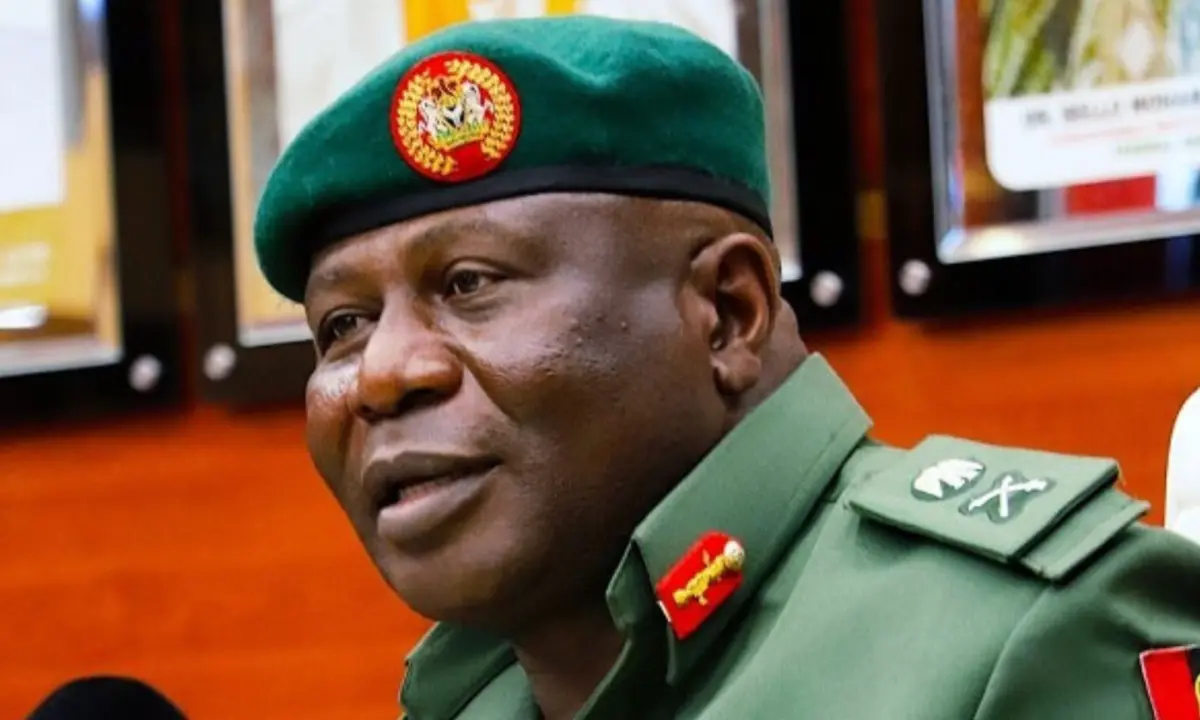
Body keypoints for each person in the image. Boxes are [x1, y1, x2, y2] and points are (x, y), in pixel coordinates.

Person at [251, 14, 1200, 720]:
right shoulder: (474, 695)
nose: (383, 373)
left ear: (728, 311)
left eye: (469, 283)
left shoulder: (1019, 633)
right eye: (343, 324)